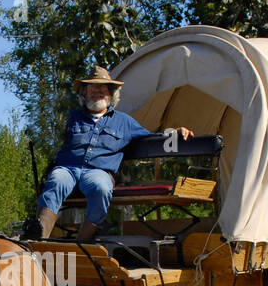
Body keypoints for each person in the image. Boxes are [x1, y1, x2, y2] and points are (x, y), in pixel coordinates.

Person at [28, 66, 192, 241]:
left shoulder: (124, 122)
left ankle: (81, 242)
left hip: (98, 172)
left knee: (102, 188)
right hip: (68, 169)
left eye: (103, 88)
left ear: (111, 93)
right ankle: (38, 240)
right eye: (92, 87)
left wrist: (175, 133)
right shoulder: (72, 117)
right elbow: (47, 137)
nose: (97, 91)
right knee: (56, 180)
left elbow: (152, 136)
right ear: (84, 92)